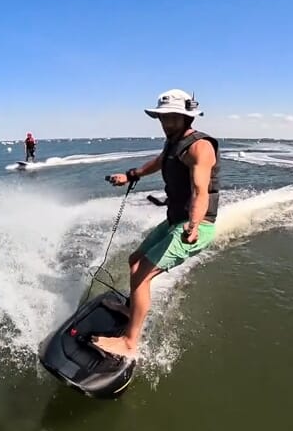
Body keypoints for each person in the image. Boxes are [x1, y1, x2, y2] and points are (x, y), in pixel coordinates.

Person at [93, 89, 220, 359]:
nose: (166, 123)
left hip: (196, 225)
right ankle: (132, 310)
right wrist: (131, 175)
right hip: (176, 220)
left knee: (142, 275)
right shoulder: (173, 144)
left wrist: (194, 225)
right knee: (134, 260)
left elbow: (200, 192)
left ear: (186, 118)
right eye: (163, 117)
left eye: (172, 118)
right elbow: (161, 162)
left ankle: (129, 343)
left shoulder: (200, 147)